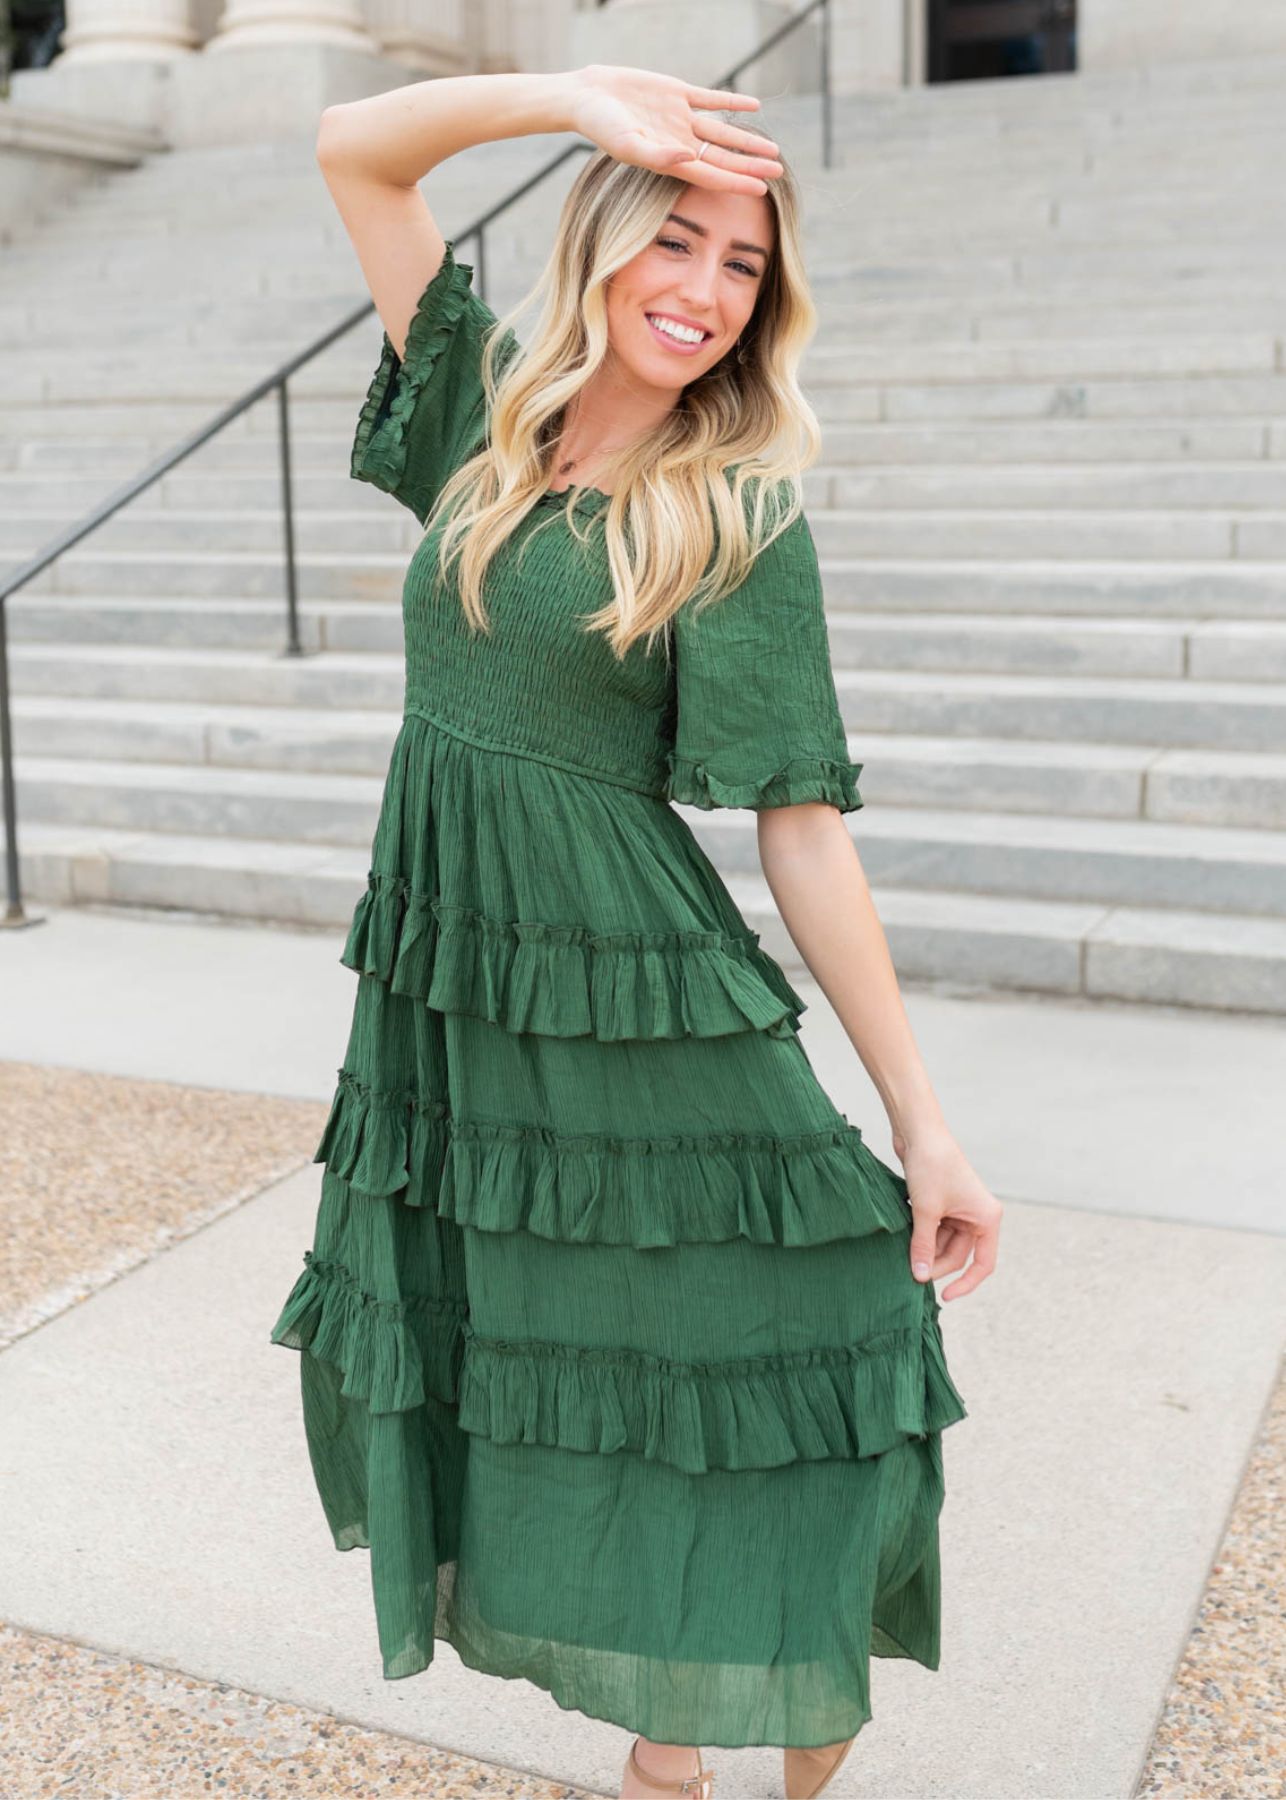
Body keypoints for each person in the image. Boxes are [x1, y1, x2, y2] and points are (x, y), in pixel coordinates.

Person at [268, 61, 1003, 1800]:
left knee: (783, 1340)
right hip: (467, 982)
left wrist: (921, 1118)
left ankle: (790, 1710)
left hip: (633, 989)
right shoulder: (480, 413)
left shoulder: (736, 506)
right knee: (557, 1362)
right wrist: (570, 98)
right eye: (674, 241)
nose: (701, 290)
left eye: (741, 267)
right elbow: (352, 150)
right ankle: (666, 1750)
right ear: (600, 242)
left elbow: (801, 837)